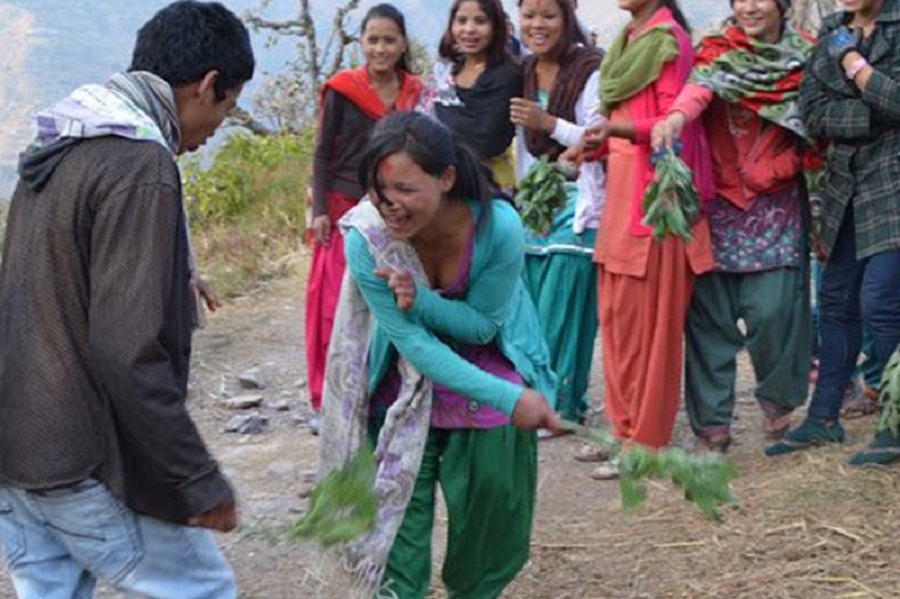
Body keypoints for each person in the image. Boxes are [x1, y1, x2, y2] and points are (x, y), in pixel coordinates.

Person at [0, 2, 254, 598]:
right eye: (228, 103)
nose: (219, 123)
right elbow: (126, 351)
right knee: (205, 590)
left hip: (15, 452)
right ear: (209, 84)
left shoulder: (58, 146)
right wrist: (196, 478)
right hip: (76, 462)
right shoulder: (141, 166)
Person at [317, 111, 559, 599]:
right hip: (401, 379)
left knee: (487, 529)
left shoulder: (498, 227)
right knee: (395, 549)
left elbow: (481, 325)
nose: (391, 206)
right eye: (379, 191)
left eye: (406, 189)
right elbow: (413, 345)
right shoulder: (368, 238)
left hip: (488, 358)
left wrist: (422, 300)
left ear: (446, 178)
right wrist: (511, 399)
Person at [650, 0, 815, 452]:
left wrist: (781, 167)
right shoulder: (718, 50)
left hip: (776, 207)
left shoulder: (807, 58)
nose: (749, 6)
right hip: (716, 202)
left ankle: (779, 398)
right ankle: (712, 425)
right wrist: (677, 118)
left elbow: (819, 129)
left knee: (774, 310)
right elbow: (700, 88)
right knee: (709, 317)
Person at [586, 0, 714, 477]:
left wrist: (617, 128)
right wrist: (596, 142)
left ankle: (648, 442)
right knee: (617, 323)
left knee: (651, 332)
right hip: (620, 199)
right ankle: (621, 430)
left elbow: (669, 127)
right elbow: (622, 122)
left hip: (655, 205)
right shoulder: (626, 40)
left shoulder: (668, 41)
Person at [767, 0, 900, 461]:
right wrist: (872, 115)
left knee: (882, 301)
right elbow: (812, 111)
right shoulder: (830, 29)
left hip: (894, 178)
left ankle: (895, 422)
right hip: (845, 184)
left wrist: (852, 63)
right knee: (837, 301)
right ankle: (824, 418)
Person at [305, 3, 422, 419]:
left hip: (393, 208)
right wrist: (319, 209)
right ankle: (329, 397)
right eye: (373, 40)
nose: (380, 48)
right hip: (341, 207)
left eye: (389, 40)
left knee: (388, 298)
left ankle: (379, 388)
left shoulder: (415, 92)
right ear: (361, 43)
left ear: (403, 44)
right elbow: (322, 154)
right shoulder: (341, 89)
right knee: (333, 303)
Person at [511, 0, 604, 425]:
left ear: (567, 18)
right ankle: (537, 402)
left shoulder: (590, 68)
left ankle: (563, 407)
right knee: (531, 305)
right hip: (539, 203)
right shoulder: (525, 70)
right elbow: (523, 147)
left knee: (563, 305)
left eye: (548, 15)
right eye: (529, 14)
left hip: (582, 201)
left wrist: (549, 123)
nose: (537, 24)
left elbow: (598, 135)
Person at [419, 0, 523, 191]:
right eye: (461, 20)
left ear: (495, 26)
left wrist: (440, 135)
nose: (469, 29)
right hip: (439, 181)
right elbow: (422, 120)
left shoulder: (507, 74)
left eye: (480, 21)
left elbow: (487, 141)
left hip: (489, 185)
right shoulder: (445, 68)